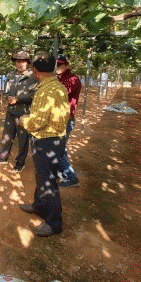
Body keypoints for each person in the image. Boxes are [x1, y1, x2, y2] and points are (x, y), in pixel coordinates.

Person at [18, 52, 70, 237]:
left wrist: (23, 120)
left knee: (47, 181)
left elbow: (37, 122)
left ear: (35, 70)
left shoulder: (45, 91)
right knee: (43, 177)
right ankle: (39, 206)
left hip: (47, 141)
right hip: (56, 139)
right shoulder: (58, 87)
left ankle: (54, 223)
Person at [0, 50, 39, 172]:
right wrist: (8, 97)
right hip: (11, 111)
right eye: (18, 61)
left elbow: (35, 95)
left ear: (27, 63)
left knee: (23, 139)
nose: (20, 64)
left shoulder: (33, 76)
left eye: (23, 61)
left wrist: (18, 99)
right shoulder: (10, 75)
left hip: (24, 113)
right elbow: (7, 91)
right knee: (7, 136)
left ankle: (20, 162)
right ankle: (3, 157)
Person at [56, 54, 82, 187]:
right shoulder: (58, 79)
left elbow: (59, 94)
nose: (57, 67)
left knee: (58, 148)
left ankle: (71, 177)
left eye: (60, 64)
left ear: (67, 65)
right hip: (58, 119)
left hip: (65, 120)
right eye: (55, 65)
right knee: (61, 147)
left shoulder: (73, 79)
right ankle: (61, 174)